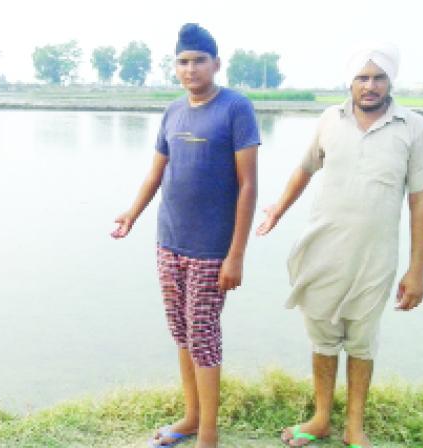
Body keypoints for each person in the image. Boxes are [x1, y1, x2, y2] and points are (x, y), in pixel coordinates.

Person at [256, 43, 423, 448]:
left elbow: (420, 199)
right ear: (350, 82)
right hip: (323, 250)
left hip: (376, 257)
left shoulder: (413, 127)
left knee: (361, 341)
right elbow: (304, 168)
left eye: (378, 78)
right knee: (322, 337)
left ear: (391, 82)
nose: (369, 86)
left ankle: (354, 427)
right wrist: (277, 211)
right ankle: (320, 418)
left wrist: (417, 268)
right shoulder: (329, 119)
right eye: (362, 78)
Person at [111, 23, 259, 448]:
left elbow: (248, 185)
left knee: (204, 335)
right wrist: (132, 214)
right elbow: (157, 171)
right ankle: (192, 417)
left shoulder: (236, 108)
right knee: (181, 332)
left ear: (216, 63)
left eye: (198, 61)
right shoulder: (173, 111)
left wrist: (236, 255)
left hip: (212, 250)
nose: (190, 69)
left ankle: (208, 435)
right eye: (182, 61)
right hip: (170, 241)